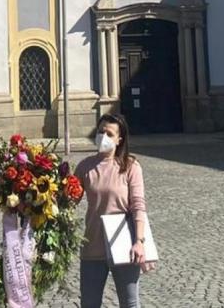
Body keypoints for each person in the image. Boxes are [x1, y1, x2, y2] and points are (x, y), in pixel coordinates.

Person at [75, 113, 154, 308]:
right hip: (93, 242)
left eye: (109, 133)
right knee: (89, 303)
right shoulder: (85, 167)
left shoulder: (130, 166)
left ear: (119, 139)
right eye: (100, 132)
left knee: (129, 303)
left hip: (124, 244)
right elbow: (69, 201)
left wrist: (139, 241)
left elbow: (138, 205)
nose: (103, 137)